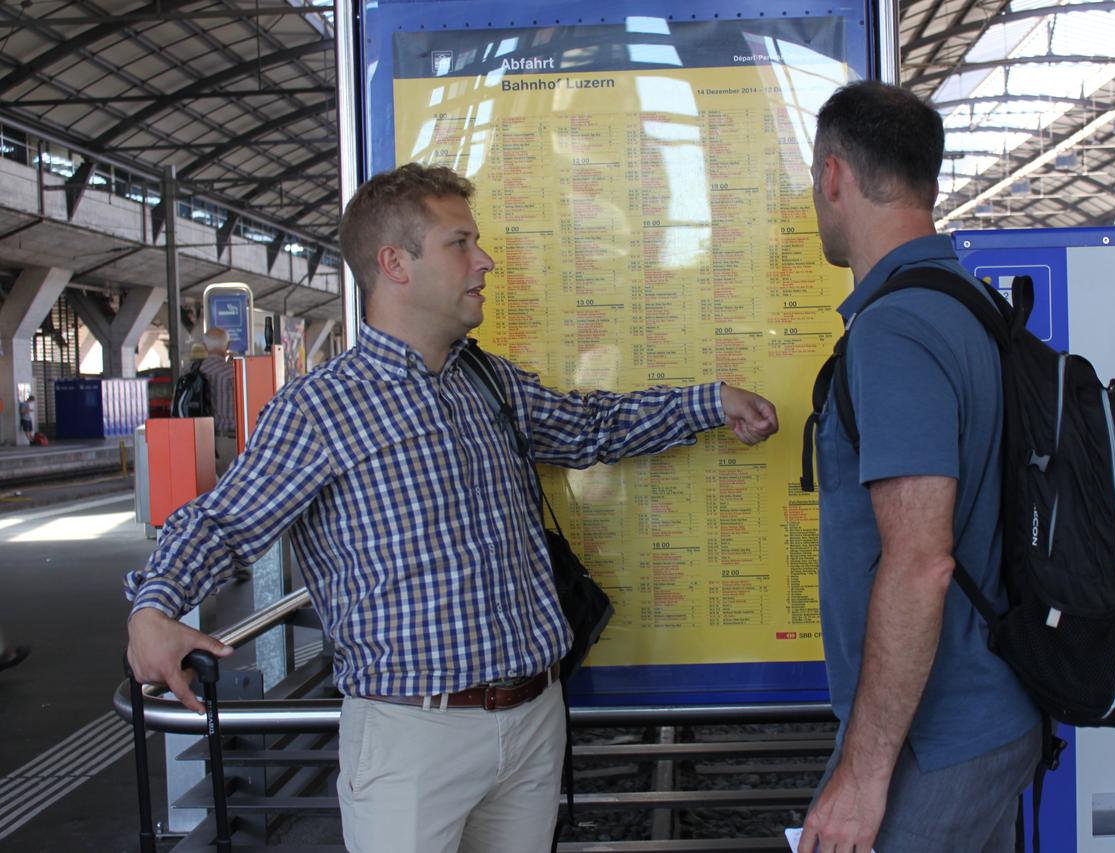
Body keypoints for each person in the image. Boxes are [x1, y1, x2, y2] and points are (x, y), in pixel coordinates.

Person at [124, 163, 779, 853]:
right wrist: (152, 609)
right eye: (460, 243)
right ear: (395, 264)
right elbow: (223, 521)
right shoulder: (322, 408)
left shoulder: (486, 379)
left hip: (532, 719)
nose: (485, 261)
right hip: (413, 738)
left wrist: (709, 401)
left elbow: (593, 425)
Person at [799, 81, 1040, 853]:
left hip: (929, 742)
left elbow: (919, 561)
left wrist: (864, 773)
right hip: (994, 711)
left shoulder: (894, 329)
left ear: (834, 175)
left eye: (813, 180)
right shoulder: (968, 302)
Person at [199, 328, 238, 476]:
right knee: (232, 489)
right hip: (228, 441)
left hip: (197, 441)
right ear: (227, 347)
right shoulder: (233, 373)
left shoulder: (191, 371)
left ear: (204, 346)